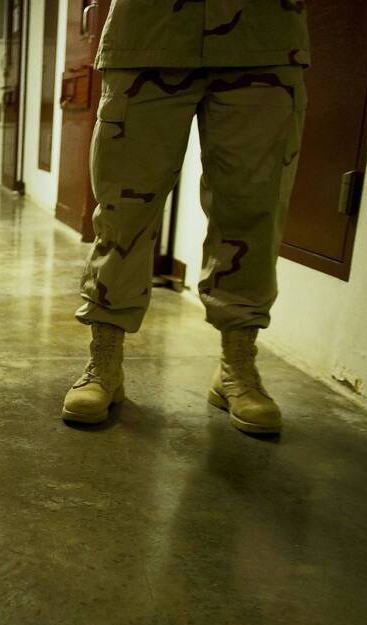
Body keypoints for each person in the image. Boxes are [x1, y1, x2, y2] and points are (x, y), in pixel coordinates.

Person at [62, 0, 309, 435]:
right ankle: (104, 361)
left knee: (253, 208)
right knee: (124, 209)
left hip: (264, 38)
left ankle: (238, 365)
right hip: (146, 34)